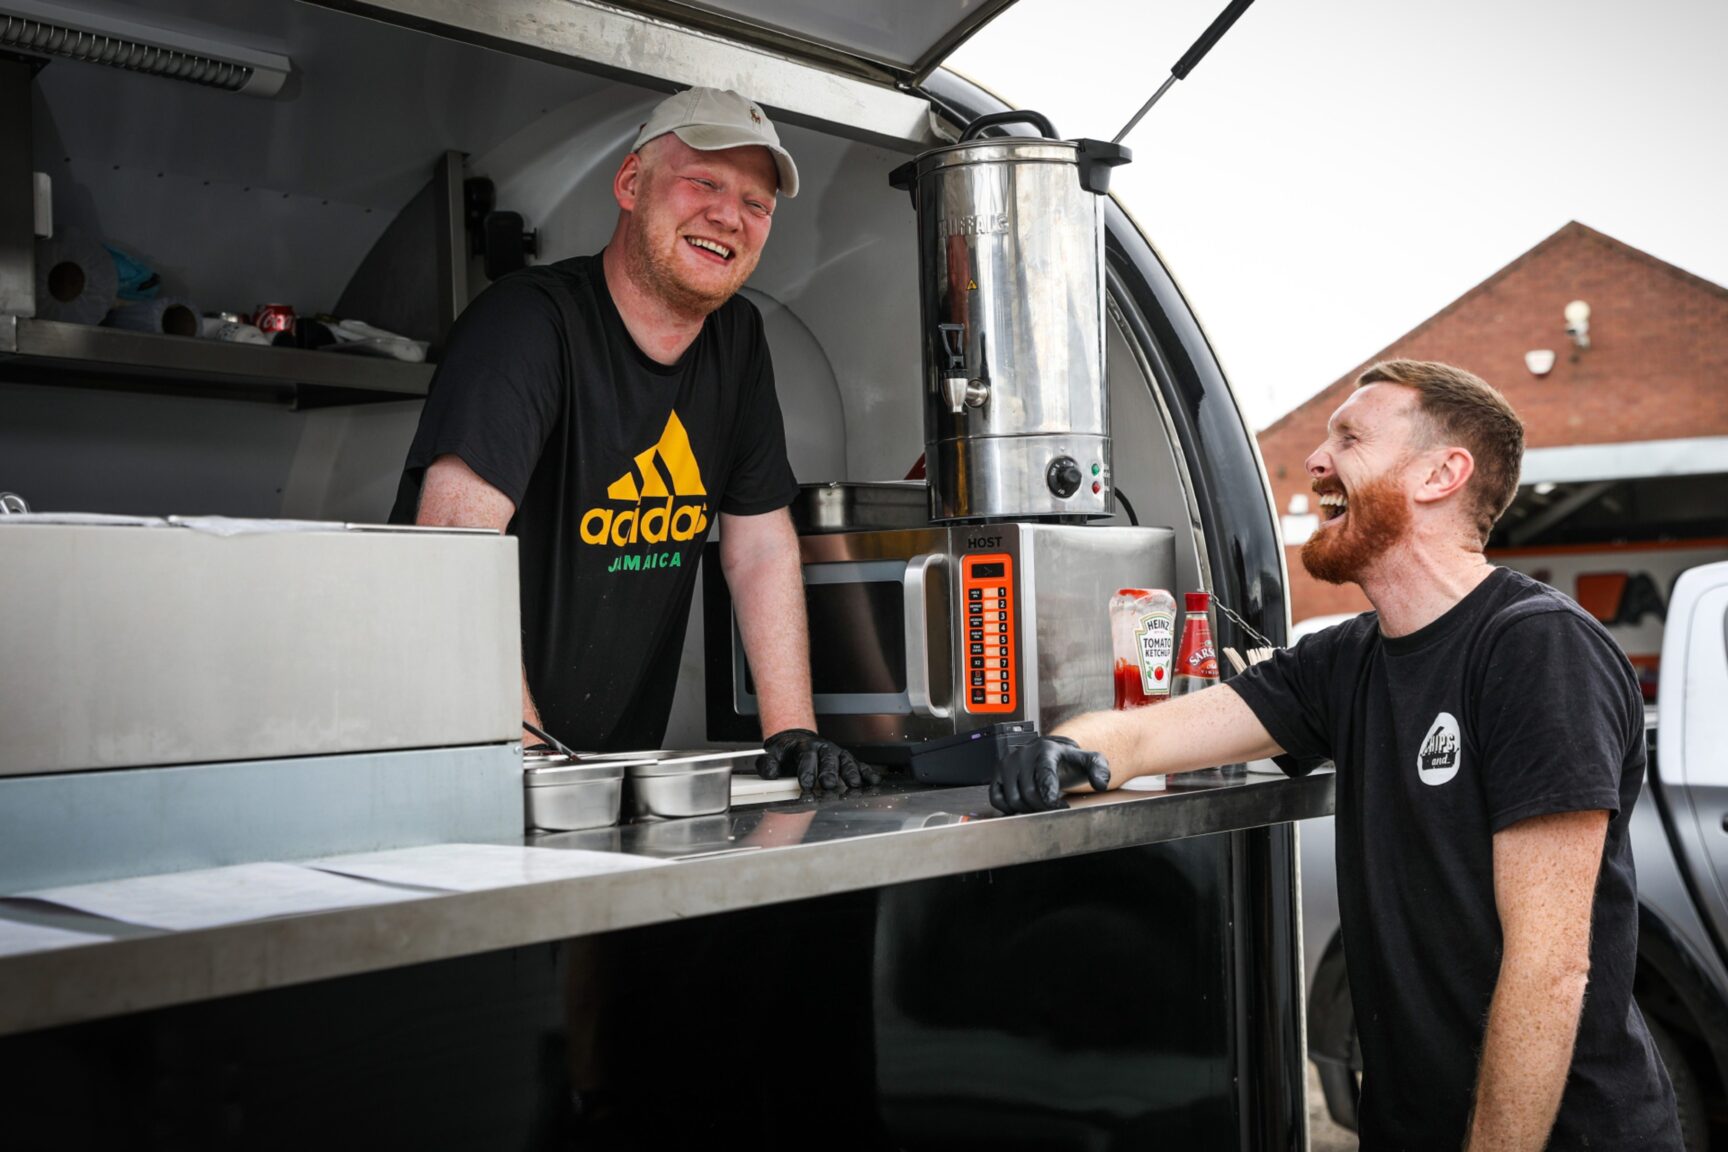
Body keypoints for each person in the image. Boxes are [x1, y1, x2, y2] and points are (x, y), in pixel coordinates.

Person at [992, 360, 1683, 1150]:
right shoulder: (1343, 661)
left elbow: (1550, 969)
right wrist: (1066, 747)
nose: (1316, 460)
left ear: (1440, 474)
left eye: (1348, 438)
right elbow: (1151, 733)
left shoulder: (1535, 648)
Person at [390, 87, 872, 791]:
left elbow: (761, 544)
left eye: (757, 203)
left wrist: (792, 731)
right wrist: (526, 759)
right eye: (704, 181)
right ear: (629, 183)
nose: (728, 216)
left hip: (599, 770)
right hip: (455, 763)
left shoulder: (738, 342)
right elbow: (454, 546)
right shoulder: (528, 324)